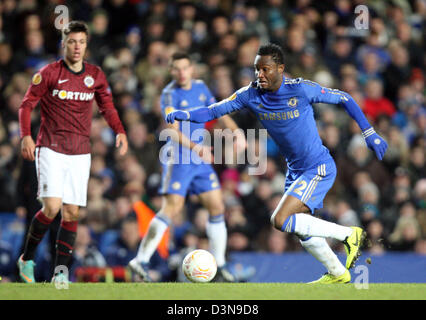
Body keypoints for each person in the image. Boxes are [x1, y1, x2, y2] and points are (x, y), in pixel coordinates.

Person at [166, 43, 388, 283]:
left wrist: (369, 133)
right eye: (256, 69)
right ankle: (338, 273)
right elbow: (212, 111)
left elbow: (344, 98)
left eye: (265, 69)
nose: (259, 74)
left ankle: (349, 234)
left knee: (280, 220)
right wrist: (187, 115)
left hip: (318, 166)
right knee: (300, 227)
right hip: (295, 171)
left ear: (280, 68)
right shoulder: (249, 94)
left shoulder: (300, 89)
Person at [17, 21, 128, 284]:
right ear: (63, 44)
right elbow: (26, 105)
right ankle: (27, 258)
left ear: (86, 45)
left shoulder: (96, 75)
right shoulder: (49, 73)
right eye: (72, 42)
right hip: (51, 148)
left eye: (81, 42)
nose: (77, 47)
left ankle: (60, 273)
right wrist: (25, 136)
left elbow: (108, 107)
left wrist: (119, 131)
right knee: (52, 207)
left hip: (80, 152)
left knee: (72, 213)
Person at [128, 52, 246, 282]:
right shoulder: (169, 94)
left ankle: (220, 264)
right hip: (179, 157)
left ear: (192, 69)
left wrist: (236, 131)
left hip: (200, 158)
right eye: (177, 69)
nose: (181, 73)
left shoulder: (201, 88)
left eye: (185, 68)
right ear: (171, 71)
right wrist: (196, 148)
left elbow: (218, 110)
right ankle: (140, 260)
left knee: (217, 206)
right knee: (172, 208)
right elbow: (171, 130)